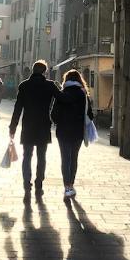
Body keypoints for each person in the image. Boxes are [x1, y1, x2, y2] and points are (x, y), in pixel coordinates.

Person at [9, 61, 59, 198]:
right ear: (45, 72)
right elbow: (61, 99)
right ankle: (39, 181)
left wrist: (12, 126)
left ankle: (26, 181)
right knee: (41, 156)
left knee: (27, 155)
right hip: (43, 125)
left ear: (32, 70)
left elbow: (18, 108)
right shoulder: (50, 85)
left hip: (28, 125)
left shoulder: (24, 85)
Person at [50, 69, 94, 199]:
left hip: (63, 131)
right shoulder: (83, 95)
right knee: (74, 158)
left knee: (65, 158)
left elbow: (53, 114)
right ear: (79, 80)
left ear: (66, 80)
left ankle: (66, 186)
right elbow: (90, 115)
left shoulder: (61, 94)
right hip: (77, 131)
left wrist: (59, 121)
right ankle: (71, 184)